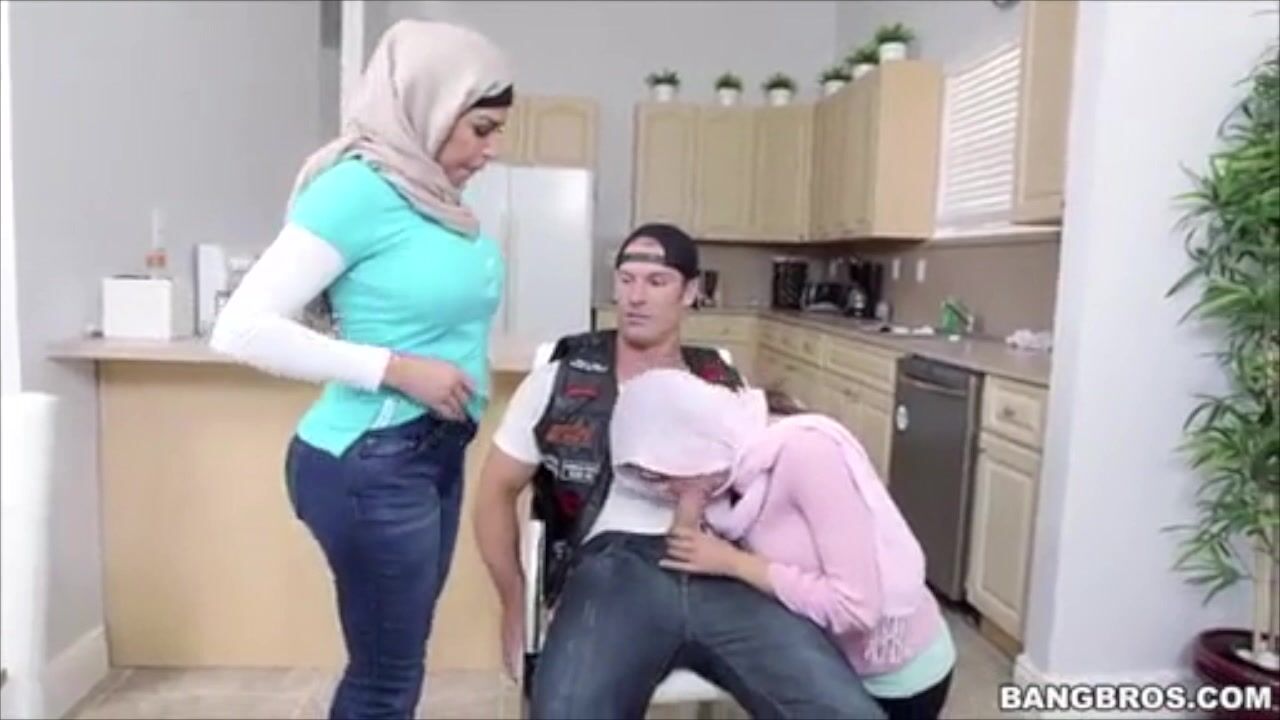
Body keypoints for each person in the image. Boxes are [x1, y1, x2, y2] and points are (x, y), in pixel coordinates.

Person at [209, 19, 513, 720]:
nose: (492, 150)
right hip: (372, 461)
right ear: (430, 107)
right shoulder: (357, 190)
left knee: (397, 665)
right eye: (481, 129)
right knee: (384, 679)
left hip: (428, 452)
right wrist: (396, 369)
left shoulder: (431, 197)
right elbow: (241, 328)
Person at [473, 223, 888, 720]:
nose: (636, 297)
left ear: (690, 292)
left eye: (657, 281)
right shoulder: (559, 382)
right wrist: (514, 600)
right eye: (627, 280)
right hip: (611, 571)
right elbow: (494, 492)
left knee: (847, 710)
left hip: (721, 567)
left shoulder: (721, 383)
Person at [609, 369, 956, 720]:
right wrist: (689, 495)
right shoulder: (722, 471)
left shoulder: (808, 454)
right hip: (830, 660)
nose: (663, 489)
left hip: (898, 676)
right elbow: (686, 546)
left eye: (663, 475)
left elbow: (855, 609)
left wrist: (735, 563)